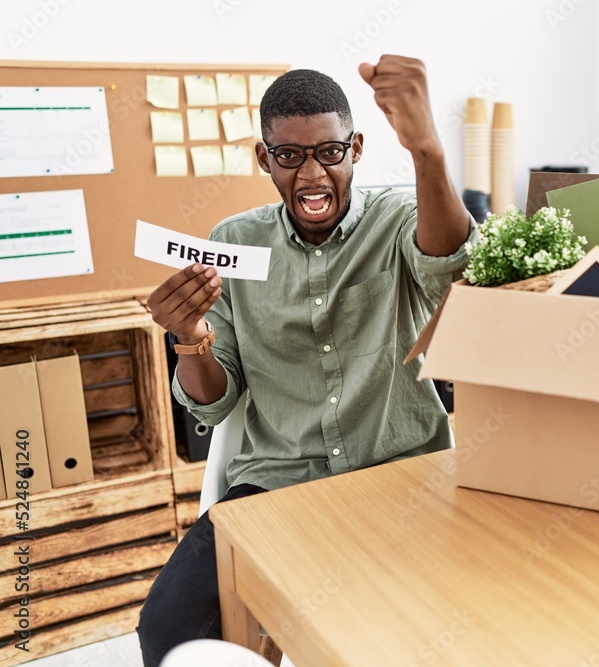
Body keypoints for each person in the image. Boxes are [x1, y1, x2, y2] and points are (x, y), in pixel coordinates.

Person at [136, 55, 477, 666]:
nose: (313, 173)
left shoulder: (400, 216)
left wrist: (428, 151)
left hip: (399, 473)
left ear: (357, 149)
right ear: (265, 159)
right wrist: (188, 337)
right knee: (170, 629)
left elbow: (449, 266)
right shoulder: (234, 242)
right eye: (290, 156)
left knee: (422, 634)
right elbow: (214, 399)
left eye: (330, 152)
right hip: (278, 485)